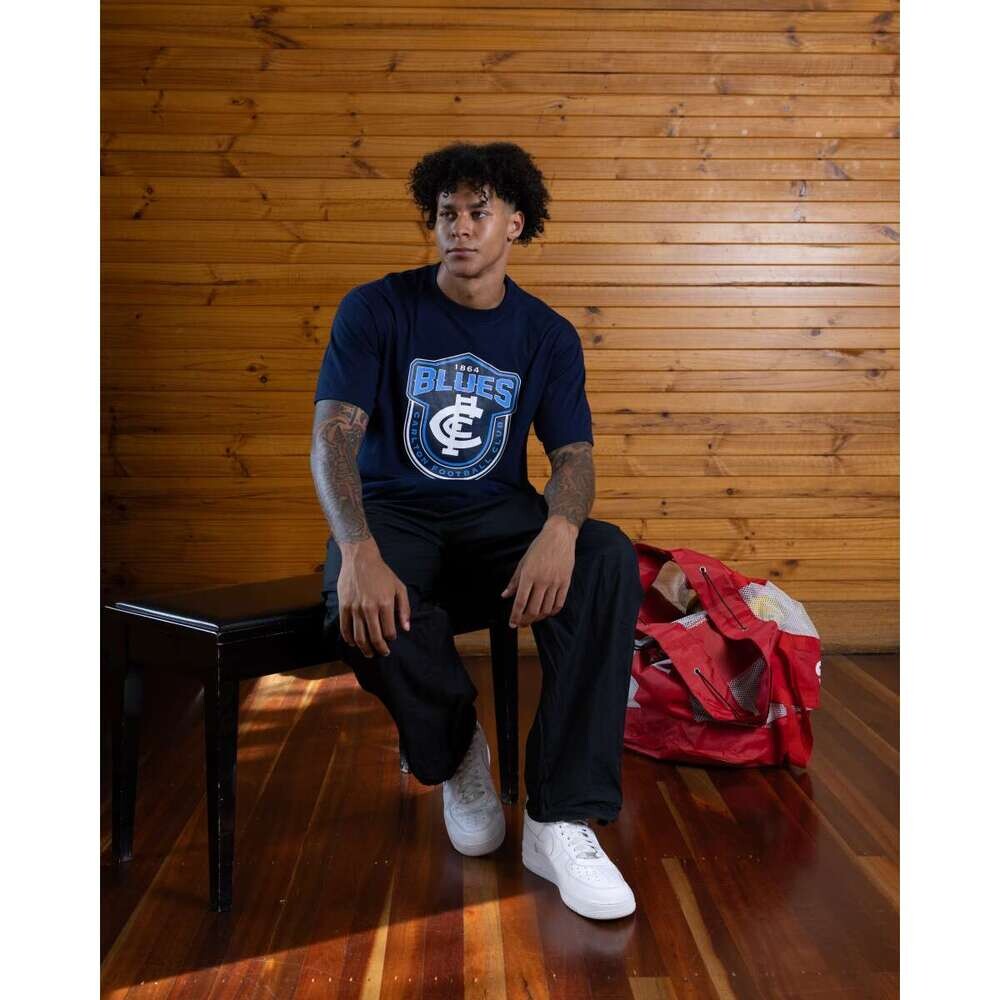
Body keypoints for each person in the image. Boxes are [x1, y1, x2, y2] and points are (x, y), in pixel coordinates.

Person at [309, 141, 645, 920]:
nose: (459, 227)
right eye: (446, 214)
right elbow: (332, 439)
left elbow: (573, 457)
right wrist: (357, 550)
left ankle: (559, 818)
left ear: (515, 224)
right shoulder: (377, 309)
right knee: (352, 606)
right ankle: (459, 748)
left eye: (478, 213)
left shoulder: (546, 335)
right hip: (394, 513)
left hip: (496, 517)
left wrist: (561, 528)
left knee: (604, 557)